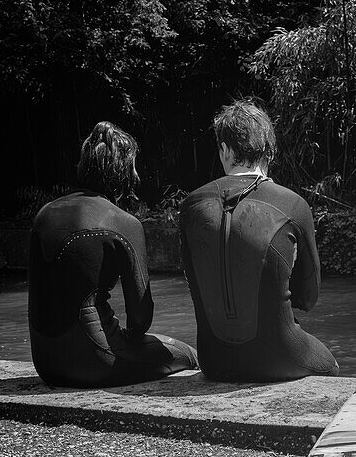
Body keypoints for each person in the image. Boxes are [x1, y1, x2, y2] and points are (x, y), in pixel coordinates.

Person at [28, 121, 198, 387]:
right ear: (124, 173)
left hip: (45, 363)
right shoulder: (123, 222)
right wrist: (127, 342)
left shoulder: (44, 214)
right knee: (185, 354)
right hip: (96, 362)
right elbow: (141, 318)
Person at [179, 99, 338, 382]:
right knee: (329, 365)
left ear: (225, 150)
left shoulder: (191, 206)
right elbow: (308, 298)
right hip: (279, 358)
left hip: (213, 362)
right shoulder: (293, 204)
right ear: (270, 151)